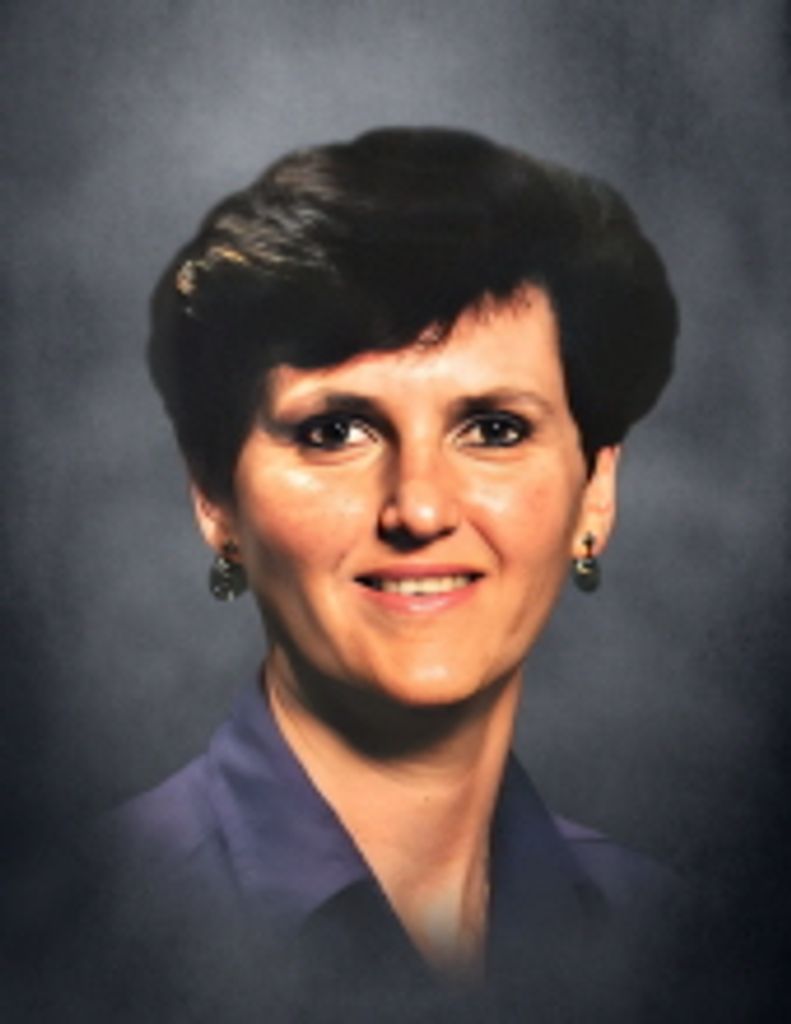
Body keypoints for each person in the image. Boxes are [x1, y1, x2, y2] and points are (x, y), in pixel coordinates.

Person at [100, 127, 680, 1022]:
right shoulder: (83, 929)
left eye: (493, 430)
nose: (417, 508)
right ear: (216, 500)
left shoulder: (675, 938)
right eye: (335, 432)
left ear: (594, 494)